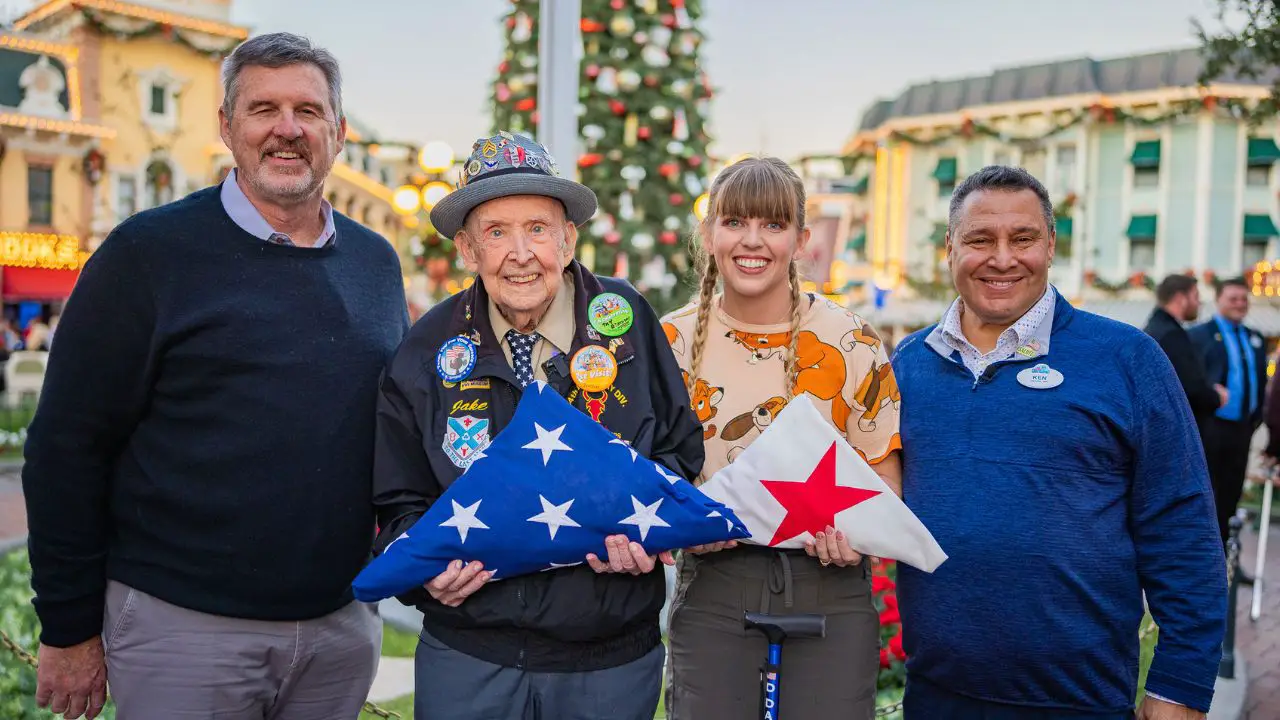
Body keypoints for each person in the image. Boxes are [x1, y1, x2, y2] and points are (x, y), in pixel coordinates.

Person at [22, 33, 407, 719]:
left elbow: (393, 430)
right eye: (263, 109)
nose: (287, 130)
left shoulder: (376, 262)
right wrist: (68, 626)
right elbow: (65, 447)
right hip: (185, 629)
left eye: (308, 112)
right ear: (226, 126)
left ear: (339, 132)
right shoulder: (146, 253)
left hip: (339, 629)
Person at [371, 131, 704, 720]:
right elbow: (397, 496)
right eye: (496, 232)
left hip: (609, 660)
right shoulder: (428, 346)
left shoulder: (626, 324)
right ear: (469, 252)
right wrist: (425, 581)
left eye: (538, 229)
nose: (520, 253)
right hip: (468, 654)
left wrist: (646, 533)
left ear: (568, 240)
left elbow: (679, 452)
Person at [891, 166, 1225, 719]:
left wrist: (1181, 686)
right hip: (936, 697)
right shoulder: (909, 365)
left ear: (1050, 246)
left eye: (1022, 239)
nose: (1002, 258)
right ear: (949, 248)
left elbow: (1183, 526)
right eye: (980, 240)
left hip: (1080, 703)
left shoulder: (1126, 359)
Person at [660, 156, 901, 719]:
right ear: (709, 233)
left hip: (831, 586)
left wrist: (857, 531)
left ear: (801, 240)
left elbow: (885, 473)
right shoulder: (668, 341)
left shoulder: (850, 340)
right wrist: (683, 530)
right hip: (715, 585)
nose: (753, 241)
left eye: (772, 224)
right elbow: (647, 474)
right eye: (735, 222)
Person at [1189, 278, 1269, 546]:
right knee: (1207, 494)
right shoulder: (1198, 335)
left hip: (1243, 429)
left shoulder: (1254, 337)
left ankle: (1228, 557)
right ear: (1219, 300)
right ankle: (1203, 556)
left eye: (1244, 299)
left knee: (1232, 496)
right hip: (1212, 428)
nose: (1239, 304)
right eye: (1233, 298)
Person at [1143, 274, 1226, 433]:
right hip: (1174, 431)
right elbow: (1189, 388)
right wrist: (1216, 397)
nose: (1199, 303)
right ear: (1181, 298)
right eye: (1195, 296)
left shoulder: (1154, 329)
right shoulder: (1172, 335)